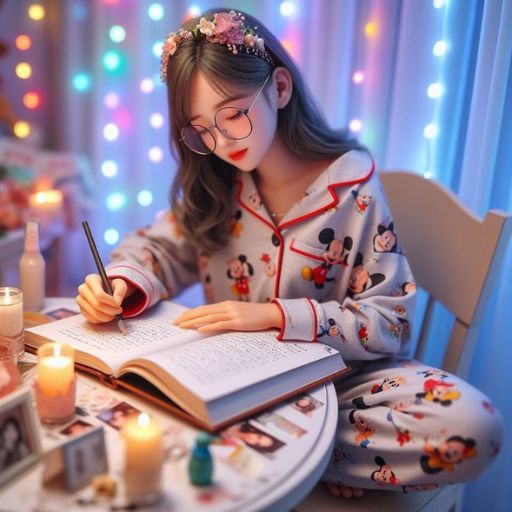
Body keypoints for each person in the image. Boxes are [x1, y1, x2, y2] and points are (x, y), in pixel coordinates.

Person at [76, 8, 503, 499]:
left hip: (338, 388)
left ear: (280, 88)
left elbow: (391, 320)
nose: (222, 142)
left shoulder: (351, 187)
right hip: (231, 386)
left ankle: (273, 455)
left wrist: (270, 316)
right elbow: (155, 247)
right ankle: (272, 450)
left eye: (233, 114)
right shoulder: (218, 186)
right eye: (201, 131)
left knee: (473, 426)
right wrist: (123, 283)